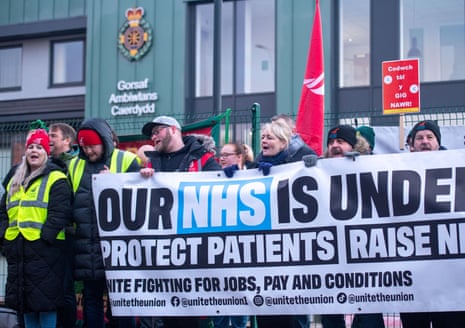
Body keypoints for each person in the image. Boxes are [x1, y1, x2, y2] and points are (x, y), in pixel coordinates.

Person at [139, 115, 221, 328]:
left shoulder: (202, 158)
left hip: (194, 246)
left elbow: (220, 189)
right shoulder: (152, 162)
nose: (153, 136)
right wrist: (142, 180)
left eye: (158, 131)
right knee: (169, 309)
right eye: (152, 134)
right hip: (163, 247)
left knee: (190, 309)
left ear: (174, 130)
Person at [68, 118, 140, 328]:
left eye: (92, 146)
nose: (88, 151)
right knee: (91, 300)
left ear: (104, 141)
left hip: (120, 246)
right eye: (84, 147)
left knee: (122, 301)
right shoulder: (73, 164)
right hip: (87, 246)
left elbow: (139, 200)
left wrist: (115, 181)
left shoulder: (127, 160)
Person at [0, 129, 73, 328]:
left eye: (39, 147)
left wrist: (45, 239)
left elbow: (60, 213)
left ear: (46, 152)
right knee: (26, 305)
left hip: (45, 253)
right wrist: (5, 239)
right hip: (19, 251)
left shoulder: (56, 178)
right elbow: (3, 213)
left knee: (46, 305)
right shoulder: (15, 180)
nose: (34, 150)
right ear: (25, 152)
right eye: (31, 147)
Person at [400, 120, 465, 328]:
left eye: (430, 137)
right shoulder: (395, 171)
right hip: (414, 280)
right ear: (411, 145)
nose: (425, 142)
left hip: (450, 279)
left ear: (438, 142)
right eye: (419, 138)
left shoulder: (457, 168)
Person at [322, 125, 385, 328]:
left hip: (364, 254)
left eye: (340, 142)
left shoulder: (371, 165)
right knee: (330, 313)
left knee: (368, 314)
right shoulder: (319, 170)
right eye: (331, 143)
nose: (334, 146)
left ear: (354, 145)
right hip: (329, 253)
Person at [251, 120, 309, 328]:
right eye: (263, 137)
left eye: (270, 137)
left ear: (284, 142)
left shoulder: (299, 163)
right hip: (265, 252)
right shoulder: (256, 165)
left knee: (291, 314)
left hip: (291, 250)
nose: (264, 141)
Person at [212, 141, 249, 328]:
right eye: (221, 154)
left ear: (239, 157)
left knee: (238, 313)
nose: (222, 158)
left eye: (227, 155)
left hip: (242, 255)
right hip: (219, 254)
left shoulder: (254, 176)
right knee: (219, 313)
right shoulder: (214, 177)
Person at [49, 122, 80, 328]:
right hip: (49, 236)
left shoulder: (77, 163)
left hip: (69, 235)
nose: (49, 139)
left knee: (66, 288)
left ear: (67, 140)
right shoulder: (44, 163)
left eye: (53, 135)